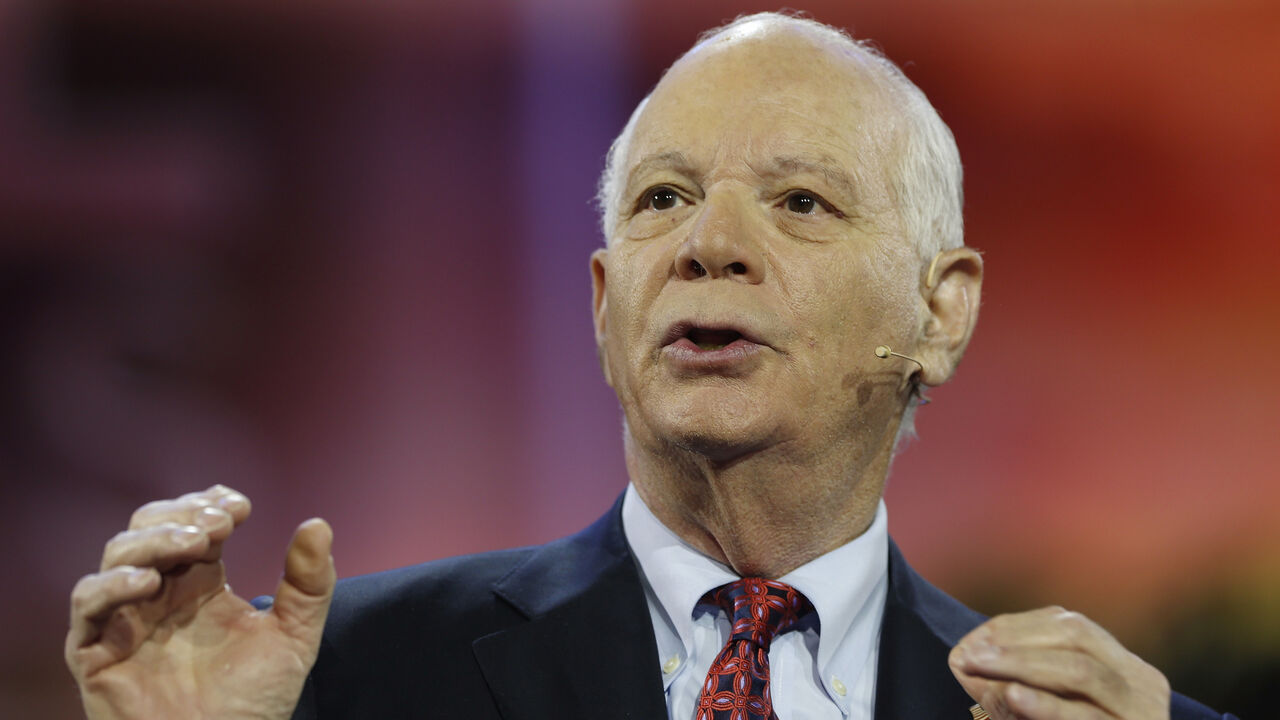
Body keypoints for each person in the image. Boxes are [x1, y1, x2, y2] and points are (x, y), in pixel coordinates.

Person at [65, 12, 1235, 720]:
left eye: (799, 201)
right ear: (603, 297)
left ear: (940, 310)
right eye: (662, 199)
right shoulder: (339, 680)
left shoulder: (1070, 710)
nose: (706, 245)